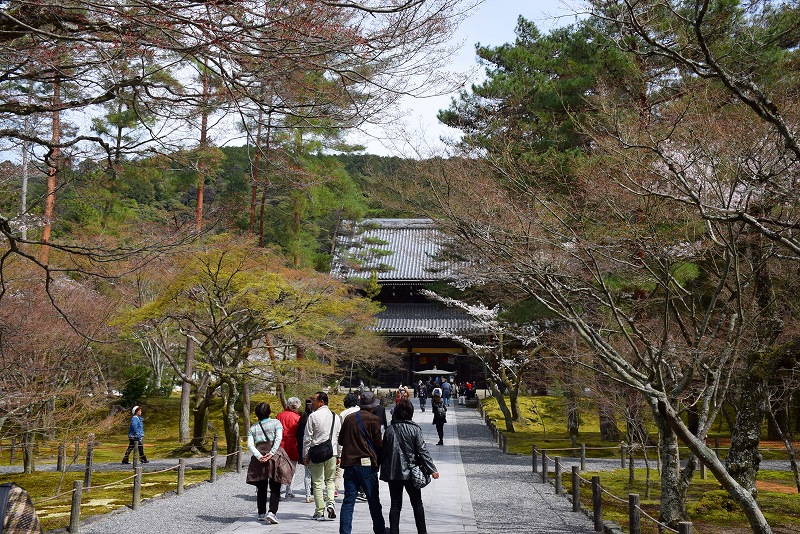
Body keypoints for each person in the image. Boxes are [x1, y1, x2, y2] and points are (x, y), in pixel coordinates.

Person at [380, 399, 439, 534]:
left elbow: (384, 452)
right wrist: (432, 469)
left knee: (395, 504)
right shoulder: (415, 429)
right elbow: (422, 450)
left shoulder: (389, 430)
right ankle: (422, 532)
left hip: (393, 472)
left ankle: (394, 532)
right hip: (411, 472)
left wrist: (378, 467)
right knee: (417, 503)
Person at [337, 391, 385, 534]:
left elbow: (340, 440)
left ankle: (345, 532)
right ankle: (380, 530)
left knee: (348, 501)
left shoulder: (349, 418)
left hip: (350, 464)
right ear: (372, 406)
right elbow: (378, 444)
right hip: (367, 465)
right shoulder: (374, 419)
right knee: (373, 501)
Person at [246, 402, 294, 524]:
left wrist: (259, 456)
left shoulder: (253, 427)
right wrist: (271, 453)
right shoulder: (276, 423)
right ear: (269, 412)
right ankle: (272, 512)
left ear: (256, 413)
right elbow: (278, 439)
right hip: (275, 457)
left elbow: (250, 444)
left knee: (261, 486)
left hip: (259, 457)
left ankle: (261, 512)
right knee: (275, 485)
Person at [303, 391, 341, 521]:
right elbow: (338, 437)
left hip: (316, 453)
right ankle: (331, 502)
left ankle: (319, 511)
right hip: (332, 452)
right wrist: (339, 455)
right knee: (330, 480)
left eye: (314, 400)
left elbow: (307, 438)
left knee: (317, 482)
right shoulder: (335, 417)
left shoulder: (313, 416)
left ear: (321, 402)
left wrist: (305, 454)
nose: (312, 402)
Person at [276, 397, 302, 498]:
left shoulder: (279, 416)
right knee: (292, 469)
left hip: (281, 444)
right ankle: (289, 489)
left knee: (280, 469)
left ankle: (280, 490)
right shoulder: (297, 418)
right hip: (293, 445)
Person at [296, 397, 315, 503]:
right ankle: (315, 492)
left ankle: (308, 495)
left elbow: (299, 436)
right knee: (317, 473)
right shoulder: (315, 417)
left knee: (307, 473)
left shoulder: (302, 418)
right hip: (316, 449)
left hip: (305, 449)